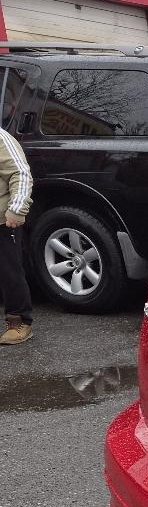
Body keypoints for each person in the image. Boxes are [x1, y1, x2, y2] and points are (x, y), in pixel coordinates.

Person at [0, 128, 34, 345]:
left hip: (3, 220)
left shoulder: (1, 138)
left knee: (8, 271)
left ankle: (19, 321)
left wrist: (17, 209)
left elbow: (20, 173)